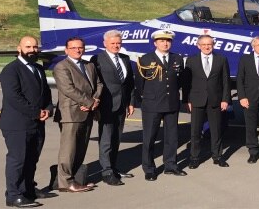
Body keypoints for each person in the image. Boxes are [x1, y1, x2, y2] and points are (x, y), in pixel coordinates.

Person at [0, 36, 53, 208]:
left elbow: (46, 93)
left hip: (37, 123)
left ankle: (28, 189)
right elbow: (14, 97)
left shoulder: (38, 68)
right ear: (19, 48)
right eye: (28, 47)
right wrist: (36, 112)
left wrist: (48, 109)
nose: (32, 50)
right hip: (17, 124)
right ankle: (13, 195)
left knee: (31, 159)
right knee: (18, 160)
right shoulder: (11, 70)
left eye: (35, 47)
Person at [135, 29, 187, 181]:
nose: (165, 43)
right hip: (152, 104)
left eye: (168, 41)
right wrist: (144, 100)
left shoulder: (177, 58)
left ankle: (170, 165)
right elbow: (139, 84)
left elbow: (179, 81)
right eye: (162, 41)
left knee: (172, 137)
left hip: (171, 103)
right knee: (149, 138)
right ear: (155, 43)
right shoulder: (145, 59)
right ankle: (149, 168)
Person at [53, 37, 103, 193]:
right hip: (71, 113)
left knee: (81, 149)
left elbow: (99, 84)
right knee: (69, 150)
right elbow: (68, 89)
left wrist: (94, 101)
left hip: (88, 112)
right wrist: (88, 102)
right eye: (74, 48)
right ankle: (65, 182)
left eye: (80, 47)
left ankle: (75, 179)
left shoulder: (89, 65)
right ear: (66, 50)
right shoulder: (61, 67)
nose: (78, 50)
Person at [90, 30, 135, 186]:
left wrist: (131, 102)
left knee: (116, 138)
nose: (116, 46)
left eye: (118, 43)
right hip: (106, 105)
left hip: (122, 105)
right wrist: (95, 103)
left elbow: (129, 84)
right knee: (106, 139)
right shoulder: (97, 59)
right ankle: (106, 171)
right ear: (105, 44)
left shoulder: (125, 58)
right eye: (113, 43)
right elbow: (93, 82)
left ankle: (114, 167)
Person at [182, 34, 231, 169]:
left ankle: (218, 156)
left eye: (209, 44)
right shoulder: (191, 60)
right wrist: (187, 100)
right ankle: (194, 158)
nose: (206, 47)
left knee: (216, 130)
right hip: (197, 100)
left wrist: (225, 99)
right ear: (198, 46)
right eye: (203, 45)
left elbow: (226, 82)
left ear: (213, 45)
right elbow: (186, 83)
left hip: (215, 100)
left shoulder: (221, 59)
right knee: (195, 131)